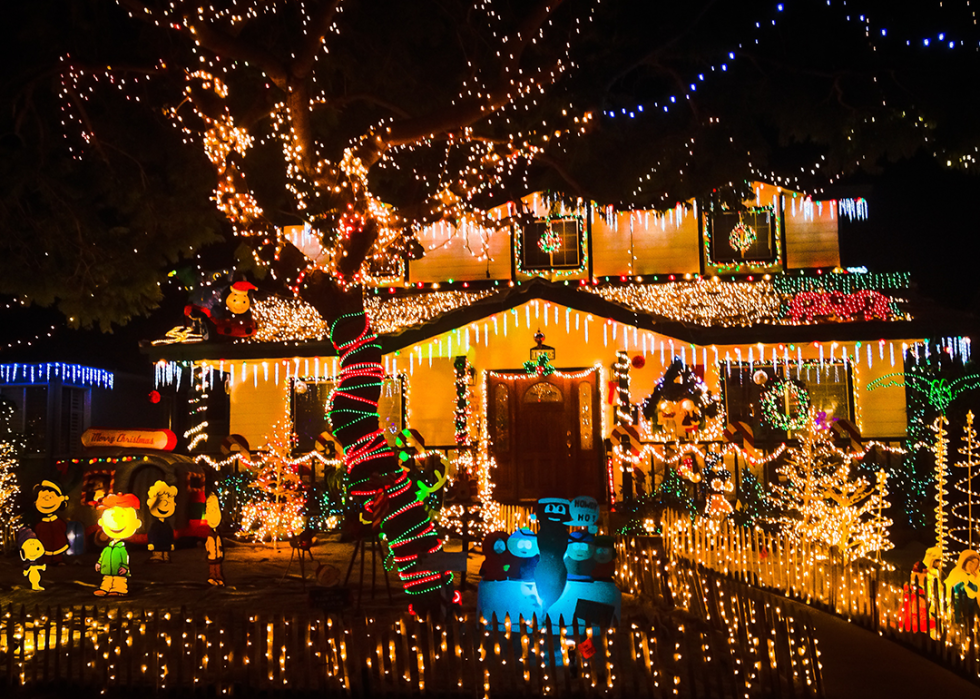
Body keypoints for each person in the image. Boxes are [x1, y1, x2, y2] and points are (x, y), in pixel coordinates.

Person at [94, 493, 142, 597]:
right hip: (107, 568)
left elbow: (124, 558)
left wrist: (125, 567)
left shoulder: (121, 549)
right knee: (107, 578)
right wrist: (99, 563)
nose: (115, 520)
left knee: (119, 580)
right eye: (112, 515)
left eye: (121, 515)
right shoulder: (108, 548)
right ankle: (104, 589)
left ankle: (119, 589)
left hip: (118, 570)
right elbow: (103, 555)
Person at [33, 481, 69, 565]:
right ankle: (46, 560)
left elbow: (64, 528)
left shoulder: (58, 521)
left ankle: (58, 560)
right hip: (45, 542)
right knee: (45, 549)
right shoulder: (41, 524)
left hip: (58, 542)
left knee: (58, 550)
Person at [146, 481, 178, 563]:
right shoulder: (155, 525)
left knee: (165, 552)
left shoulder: (167, 524)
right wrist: (151, 543)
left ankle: (165, 556)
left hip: (166, 544)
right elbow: (151, 534)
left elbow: (170, 534)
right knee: (158, 552)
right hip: (157, 544)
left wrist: (171, 543)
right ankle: (157, 556)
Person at [945, 549, 980, 621]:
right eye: (972, 563)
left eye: (976, 564)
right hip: (959, 603)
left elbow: (976, 589)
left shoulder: (976, 576)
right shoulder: (957, 573)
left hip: (972, 604)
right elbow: (951, 587)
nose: (973, 566)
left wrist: (968, 583)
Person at [205, 494, 225, 586]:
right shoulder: (208, 533)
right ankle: (212, 577)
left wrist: (220, 551)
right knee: (212, 566)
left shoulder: (217, 532)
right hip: (211, 554)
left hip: (217, 554)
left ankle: (219, 577)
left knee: (218, 566)